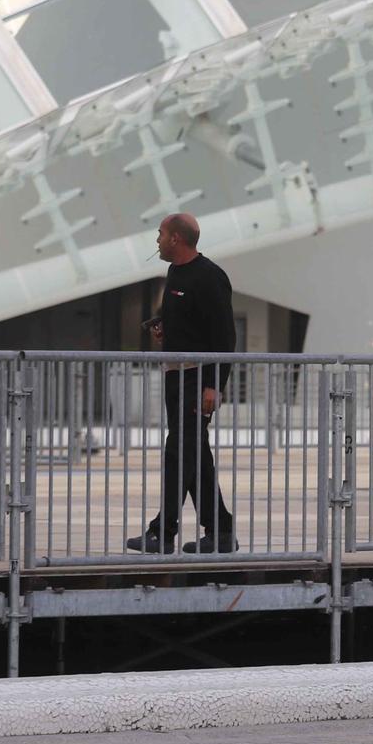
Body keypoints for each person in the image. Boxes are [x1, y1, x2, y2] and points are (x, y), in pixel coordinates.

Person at [126, 213, 239, 554]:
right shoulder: (175, 272)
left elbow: (225, 337)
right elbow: (191, 322)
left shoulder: (210, 277)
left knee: (179, 452)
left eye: (160, 234)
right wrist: (165, 328)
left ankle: (163, 531)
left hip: (197, 379)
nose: (157, 240)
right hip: (175, 377)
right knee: (195, 456)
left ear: (176, 238)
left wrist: (214, 385)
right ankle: (219, 532)